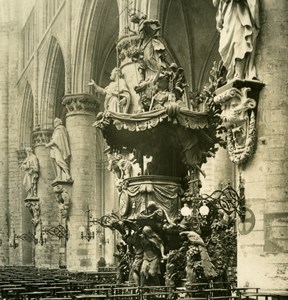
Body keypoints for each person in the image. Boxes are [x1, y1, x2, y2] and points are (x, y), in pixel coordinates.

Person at [212, 0, 260, 81]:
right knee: (224, 46)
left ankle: (239, 73)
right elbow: (215, 2)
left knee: (239, 41)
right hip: (227, 11)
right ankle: (232, 72)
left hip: (239, 11)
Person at [45, 118, 72, 182]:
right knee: (57, 163)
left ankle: (68, 174)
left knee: (59, 161)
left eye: (55, 122)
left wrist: (48, 145)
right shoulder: (57, 129)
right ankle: (59, 177)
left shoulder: (60, 129)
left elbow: (56, 140)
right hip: (55, 148)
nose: (54, 123)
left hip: (58, 148)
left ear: (58, 122)